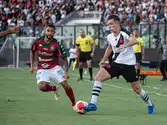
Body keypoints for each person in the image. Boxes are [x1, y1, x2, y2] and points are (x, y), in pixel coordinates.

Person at [84, 15, 155, 114]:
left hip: (128, 65)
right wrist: (103, 60)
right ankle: (93, 104)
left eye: (111, 24)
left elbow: (134, 41)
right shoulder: (109, 36)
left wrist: (125, 45)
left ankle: (150, 104)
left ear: (117, 23)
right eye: (108, 24)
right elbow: (109, 48)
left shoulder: (125, 33)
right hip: (116, 64)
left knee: (137, 89)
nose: (109, 26)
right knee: (98, 77)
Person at [29, 24, 76, 110]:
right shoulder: (37, 41)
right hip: (42, 69)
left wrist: (66, 72)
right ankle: (54, 88)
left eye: (52, 31)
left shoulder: (57, 44)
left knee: (66, 85)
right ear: (45, 31)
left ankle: (74, 104)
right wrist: (32, 66)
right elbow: (32, 52)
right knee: (42, 87)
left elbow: (65, 59)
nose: (50, 33)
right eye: (48, 30)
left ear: (54, 33)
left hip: (54, 68)